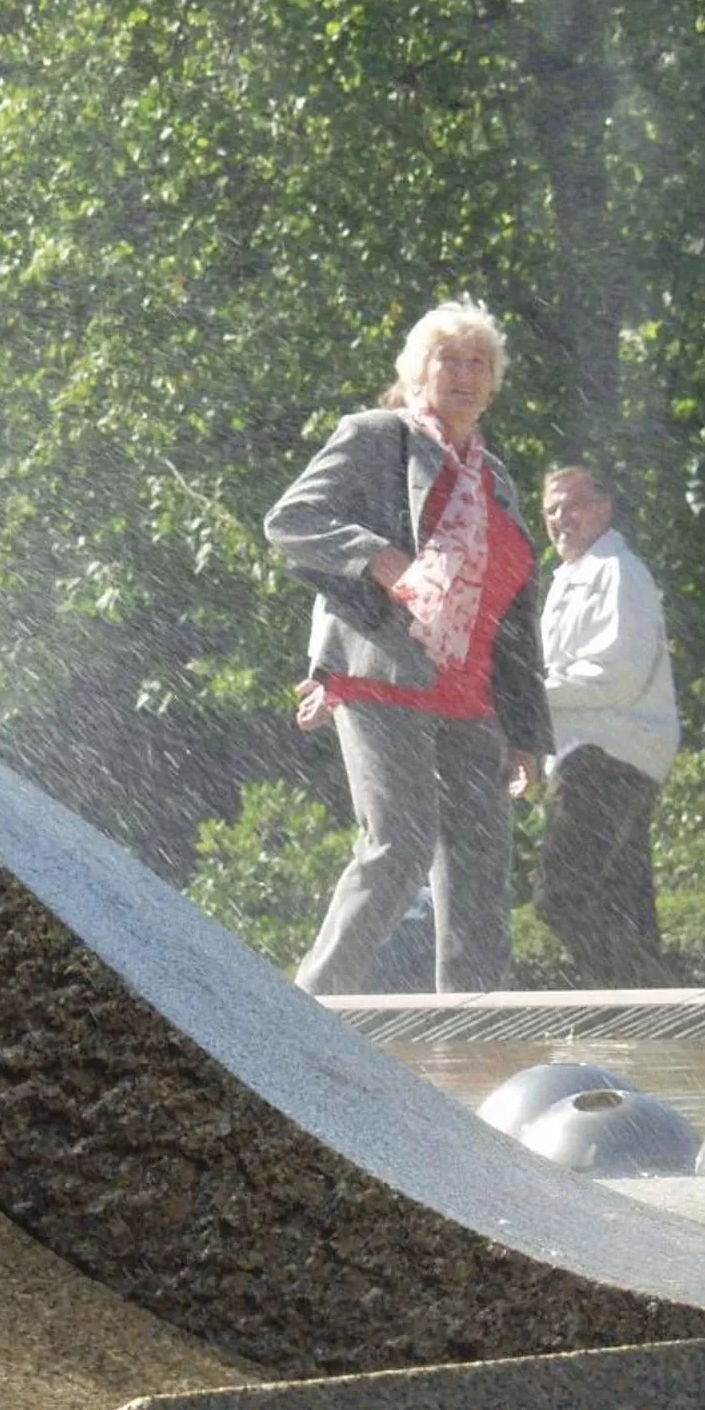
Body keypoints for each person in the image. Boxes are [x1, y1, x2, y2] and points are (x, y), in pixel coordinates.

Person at [265, 300, 550, 994]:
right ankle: (309, 1005)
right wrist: (378, 558)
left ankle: (474, 1029)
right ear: (417, 372)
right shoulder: (377, 438)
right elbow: (291, 521)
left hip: (473, 693)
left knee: (482, 864)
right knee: (401, 846)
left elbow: (515, 609)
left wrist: (525, 728)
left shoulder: (496, 476)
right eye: (448, 360)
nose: (465, 374)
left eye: (479, 363)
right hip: (382, 674)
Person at [533, 463, 678, 986]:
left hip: (609, 751)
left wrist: (526, 698)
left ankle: (642, 999)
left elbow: (616, 676)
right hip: (595, 750)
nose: (560, 518)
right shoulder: (572, 576)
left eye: (573, 504)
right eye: (550, 509)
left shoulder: (619, 571)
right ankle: (658, 1019)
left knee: (561, 894)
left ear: (605, 507)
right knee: (622, 898)